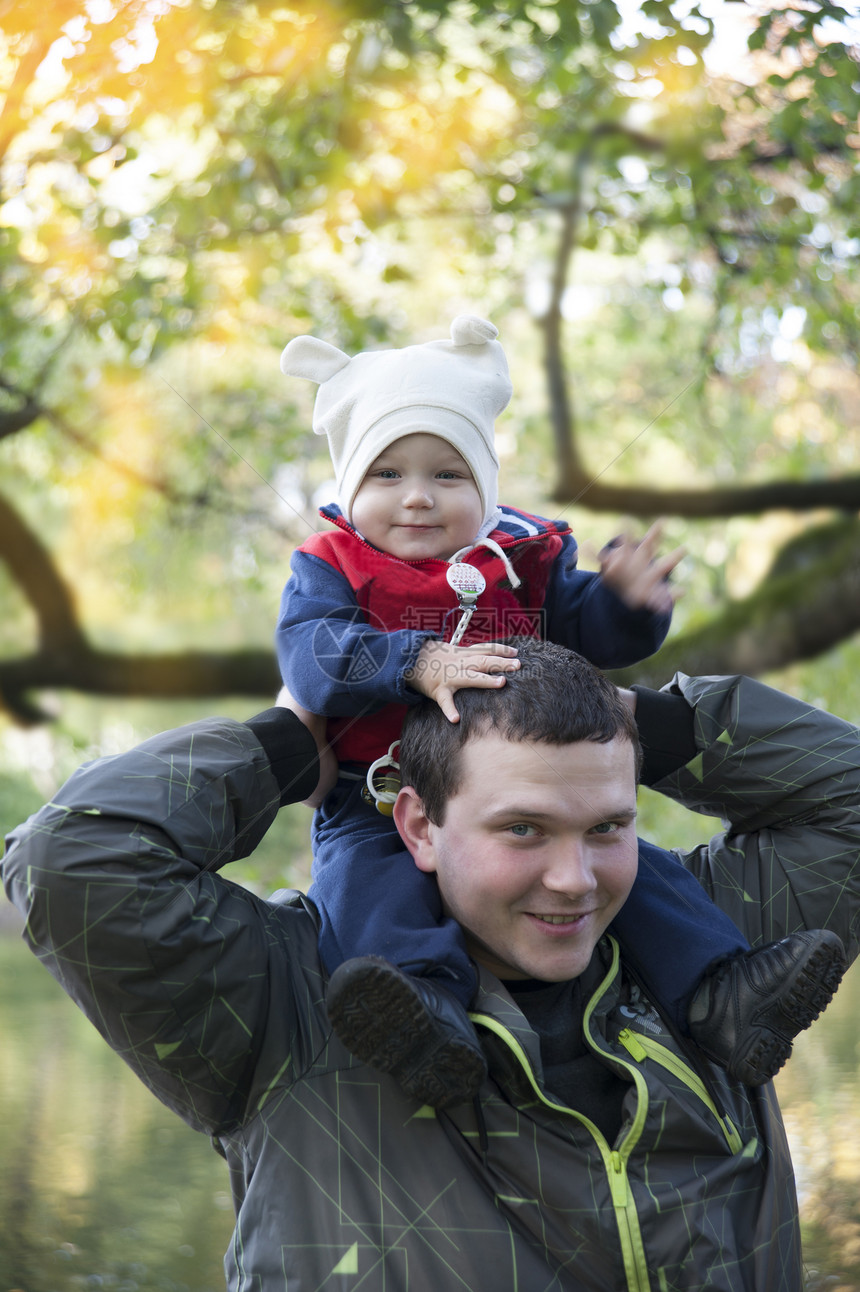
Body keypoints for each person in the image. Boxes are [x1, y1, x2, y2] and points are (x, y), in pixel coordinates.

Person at [2, 640, 856, 1290]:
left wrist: (637, 718)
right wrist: (292, 741)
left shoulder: (722, 959)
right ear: (416, 826)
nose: (575, 880)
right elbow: (72, 861)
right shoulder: (285, 998)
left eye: (606, 826)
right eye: (522, 829)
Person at [275, 315, 840, 1103]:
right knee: (367, 899)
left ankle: (724, 994)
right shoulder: (332, 567)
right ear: (349, 486)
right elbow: (310, 656)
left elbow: (591, 633)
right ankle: (426, 1023)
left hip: (533, 787)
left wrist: (629, 604)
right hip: (373, 790)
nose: (416, 499)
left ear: (486, 487)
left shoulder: (519, 558)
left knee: (636, 879)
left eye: (448, 475)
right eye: (386, 475)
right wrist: (415, 660)